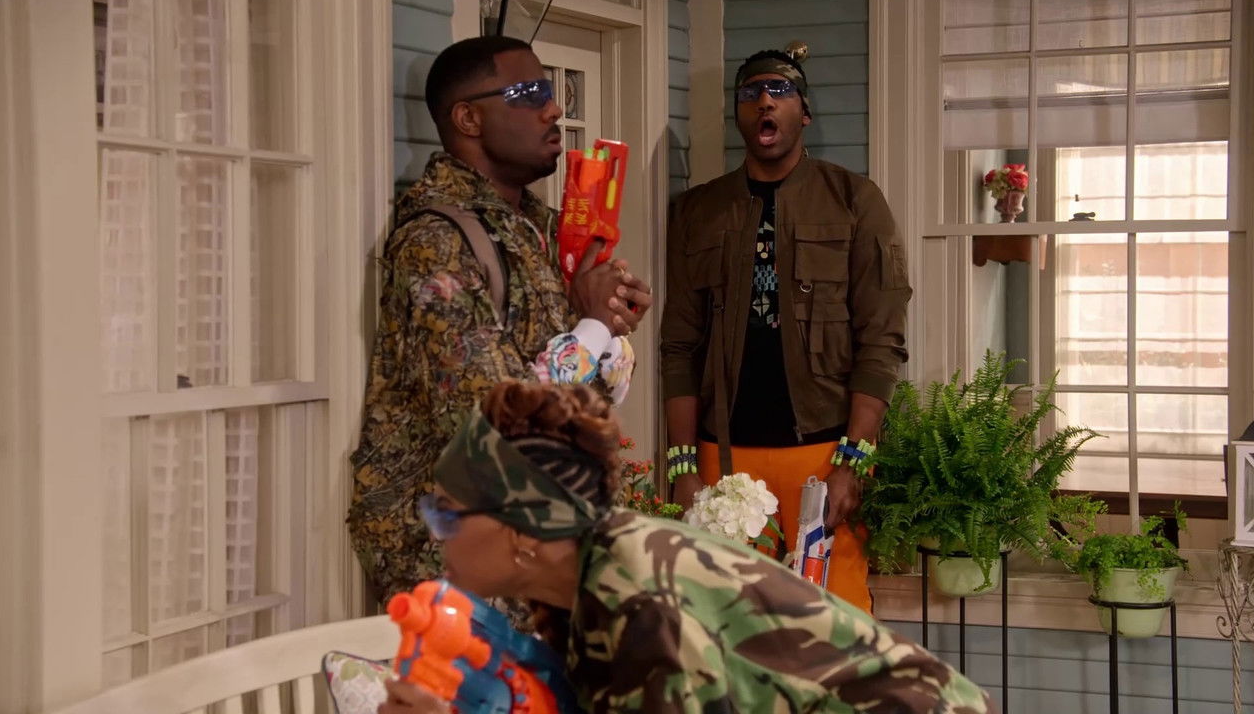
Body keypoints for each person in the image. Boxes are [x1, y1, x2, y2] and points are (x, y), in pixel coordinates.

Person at [376, 380, 994, 714]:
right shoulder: (588, 584)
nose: (435, 532)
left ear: (521, 531)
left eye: (447, 514)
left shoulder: (637, 604)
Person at [349, 35, 653, 604]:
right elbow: (499, 427)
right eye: (530, 93)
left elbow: (600, 392)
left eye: (551, 91)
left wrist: (609, 323)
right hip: (467, 579)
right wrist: (591, 326)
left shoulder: (544, 228)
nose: (553, 108)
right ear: (468, 118)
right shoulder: (435, 243)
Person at [659, 48, 911, 612]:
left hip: (822, 455)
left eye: (779, 90)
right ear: (739, 115)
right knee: (730, 623)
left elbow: (882, 339)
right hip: (723, 457)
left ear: (805, 112)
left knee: (834, 622)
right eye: (750, 93)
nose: (764, 102)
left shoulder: (854, 200)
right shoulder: (698, 211)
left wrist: (852, 463)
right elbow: (679, 345)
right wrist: (682, 467)